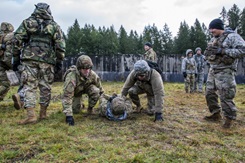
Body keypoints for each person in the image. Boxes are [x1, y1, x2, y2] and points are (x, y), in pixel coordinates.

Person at [11, 3, 66, 124]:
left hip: (29, 59)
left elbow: (16, 41)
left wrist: (16, 59)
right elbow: (60, 46)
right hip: (48, 61)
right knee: (45, 87)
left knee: (29, 87)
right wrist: (59, 61)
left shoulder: (27, 23)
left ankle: (31, 116)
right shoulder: (54, 26)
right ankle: (43, 114)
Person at [204, 18, 245, 128]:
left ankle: (229, 119)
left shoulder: (232, 37)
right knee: (209, 93)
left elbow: (243, 50)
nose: (211, 31)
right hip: (213, 70)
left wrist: (223, 51)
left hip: (225, 70)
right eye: (210, 29)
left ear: (219, 27)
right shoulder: (214, 39)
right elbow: (210, 52)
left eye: (213, 28)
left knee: (225, 95)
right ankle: (215, 113)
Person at [62, 55, 104, 126]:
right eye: (84, 69)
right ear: (79, 69)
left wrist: (105, 103)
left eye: (88, 68)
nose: (87, 71)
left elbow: (101, 90)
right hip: (75, 92)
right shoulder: (71, 77)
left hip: (86, 88)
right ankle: (79, 104)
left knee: (96, 91)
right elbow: (67, 96)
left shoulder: (93, 75)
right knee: (75, 111)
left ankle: (90, 109)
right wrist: (69, 115)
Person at [0, 22, 14, 101]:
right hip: (3, 64)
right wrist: (13, 67)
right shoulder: (10, 37)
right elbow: (8, 57)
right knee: (5, 85)